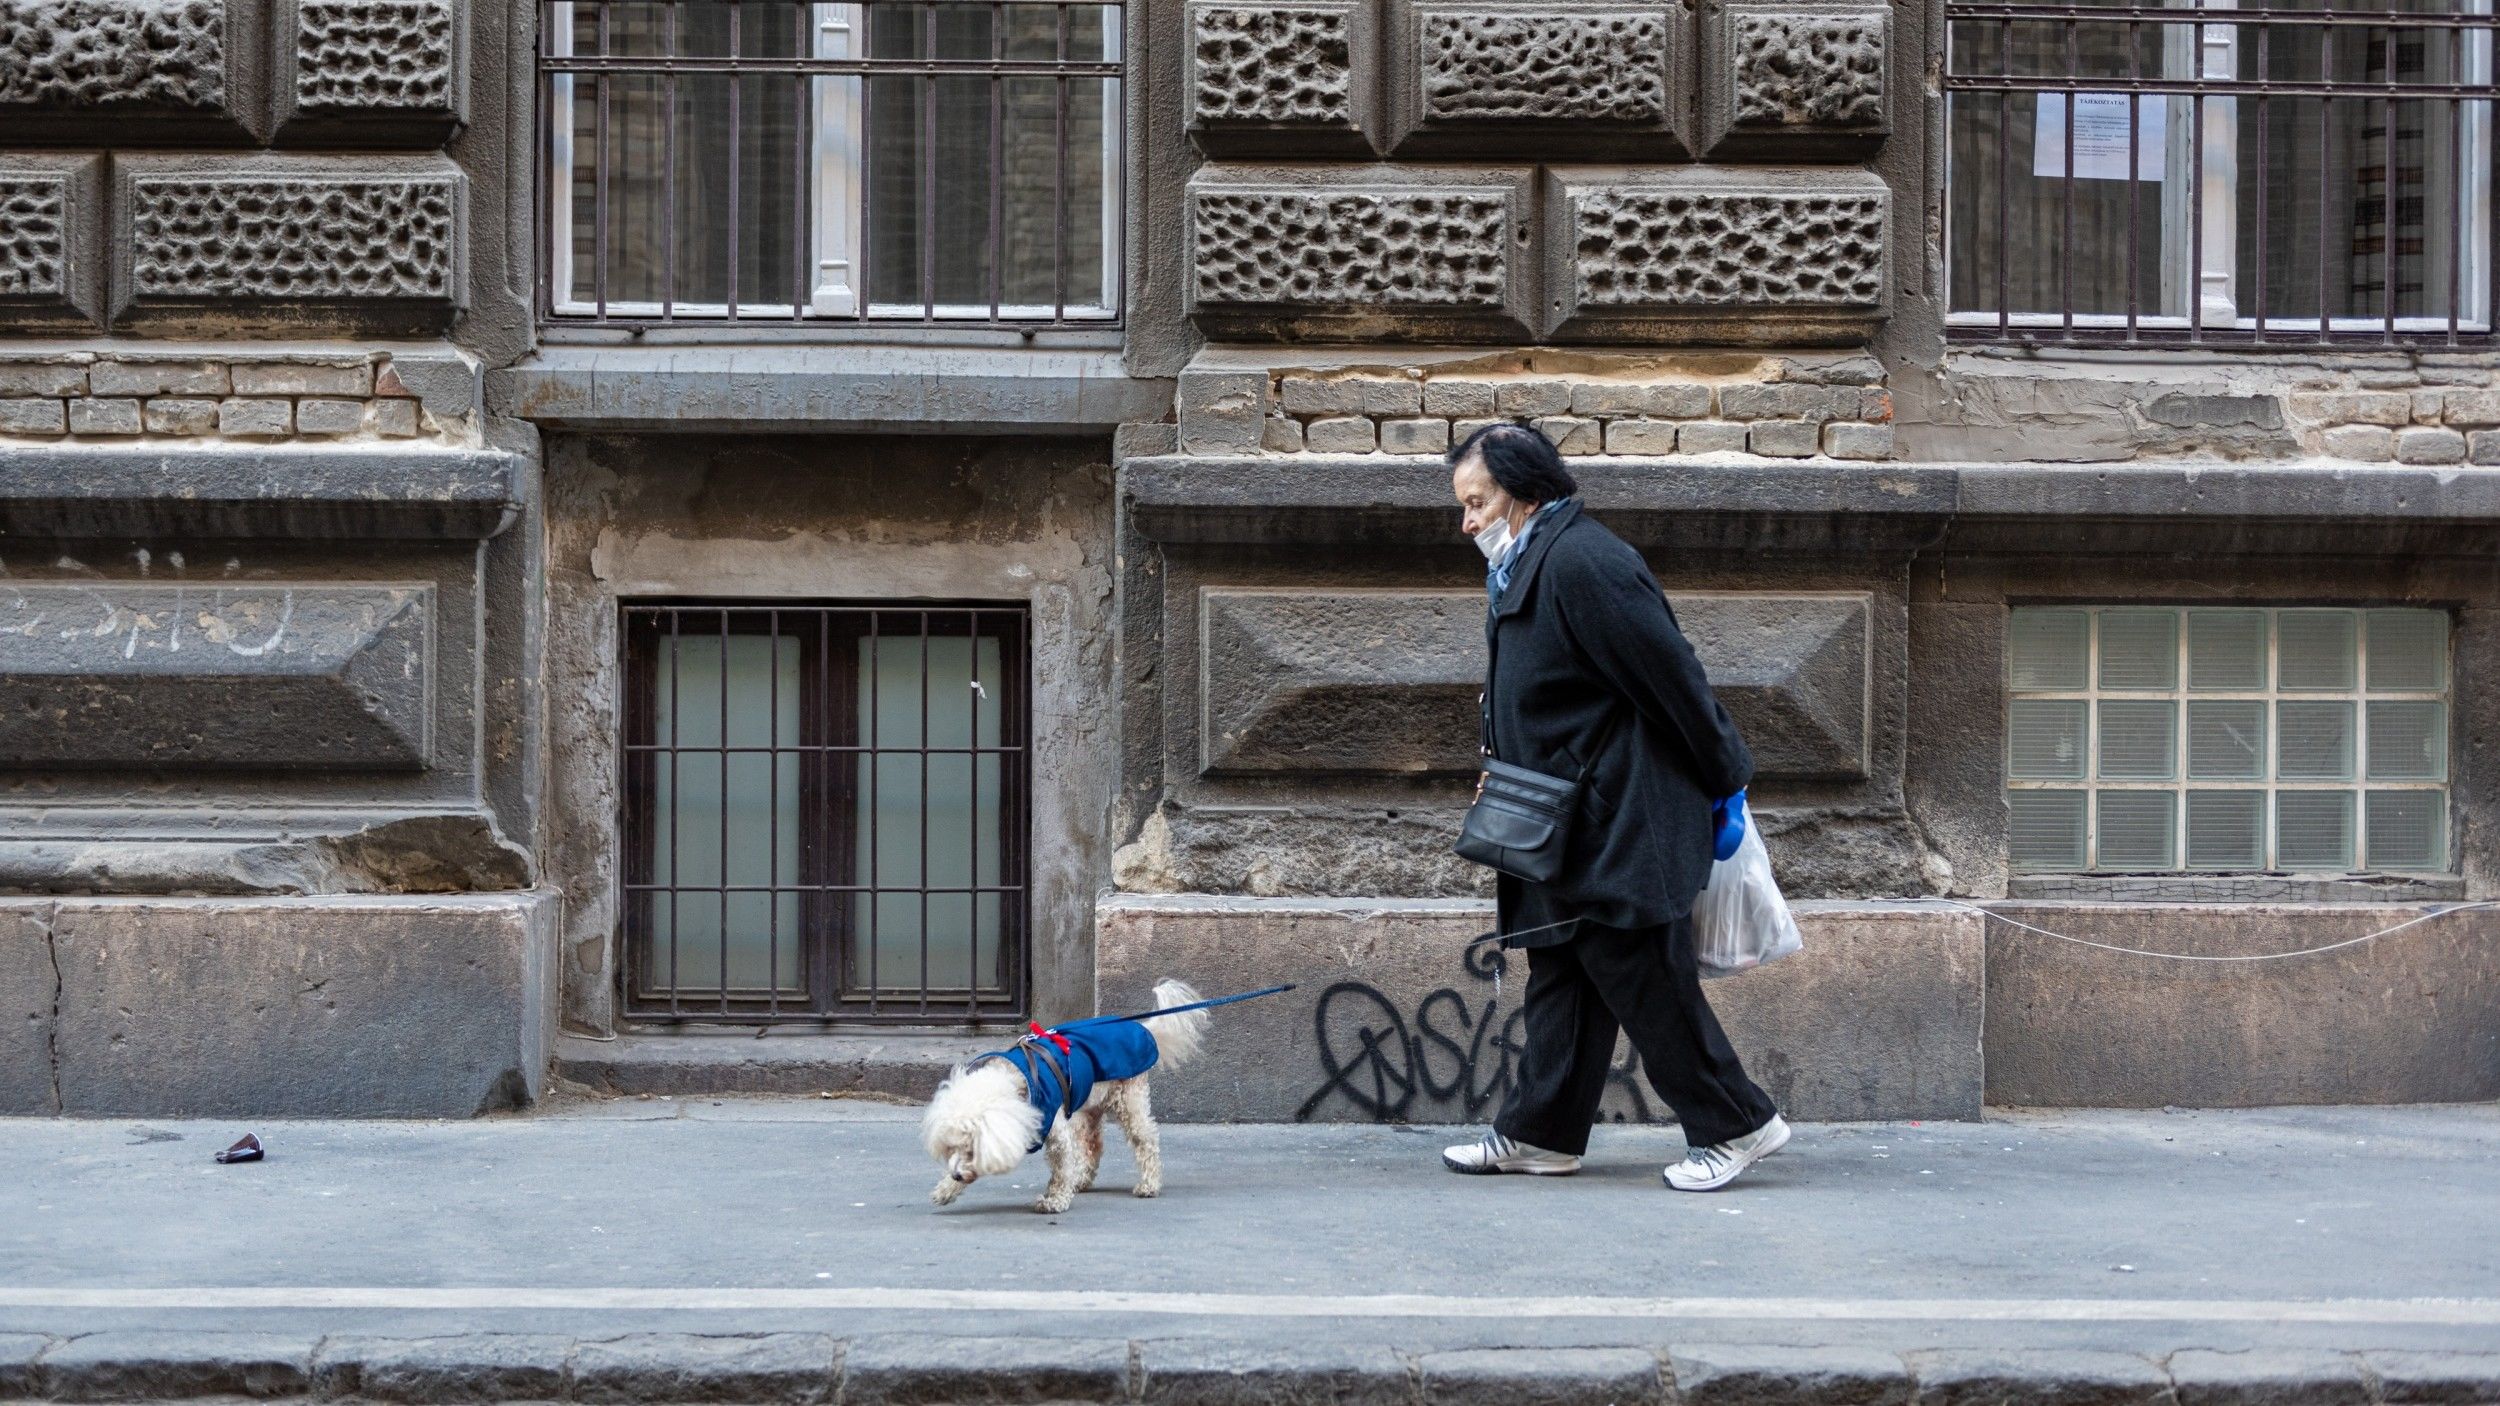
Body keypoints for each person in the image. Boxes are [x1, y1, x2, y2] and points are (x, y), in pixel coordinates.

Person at [1442, 422, 1788, 1192]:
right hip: (1560, 817)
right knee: (1564, 973)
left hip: (1618, 818)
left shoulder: (1586, 563)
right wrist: (1502, 770)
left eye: (1476, 503)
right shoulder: (1530, 563)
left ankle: (1739, 1123)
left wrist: (1726, 778)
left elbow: (1675, 681)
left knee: (1644, 979)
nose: (1466, 523)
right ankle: (1542, 1135)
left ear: (1524, 492)